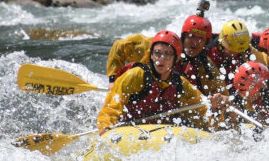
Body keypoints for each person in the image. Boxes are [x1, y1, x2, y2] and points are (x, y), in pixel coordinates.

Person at [96, 30, 226, 135]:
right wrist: (105, 129)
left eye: (168, 54)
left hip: (159, 134)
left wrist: (215, 109)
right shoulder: (135, 75)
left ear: (176, 59)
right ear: (151, 55)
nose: (161, 59)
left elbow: (202, 111)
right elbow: (111, 108)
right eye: (157, 53)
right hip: (128, 131)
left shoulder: (180, 83)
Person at [208, 19, 269, 89]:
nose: (236, 53)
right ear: (223, 44)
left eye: (240, 50)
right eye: (232, 50)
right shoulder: (209, 51)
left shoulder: (247, 51)